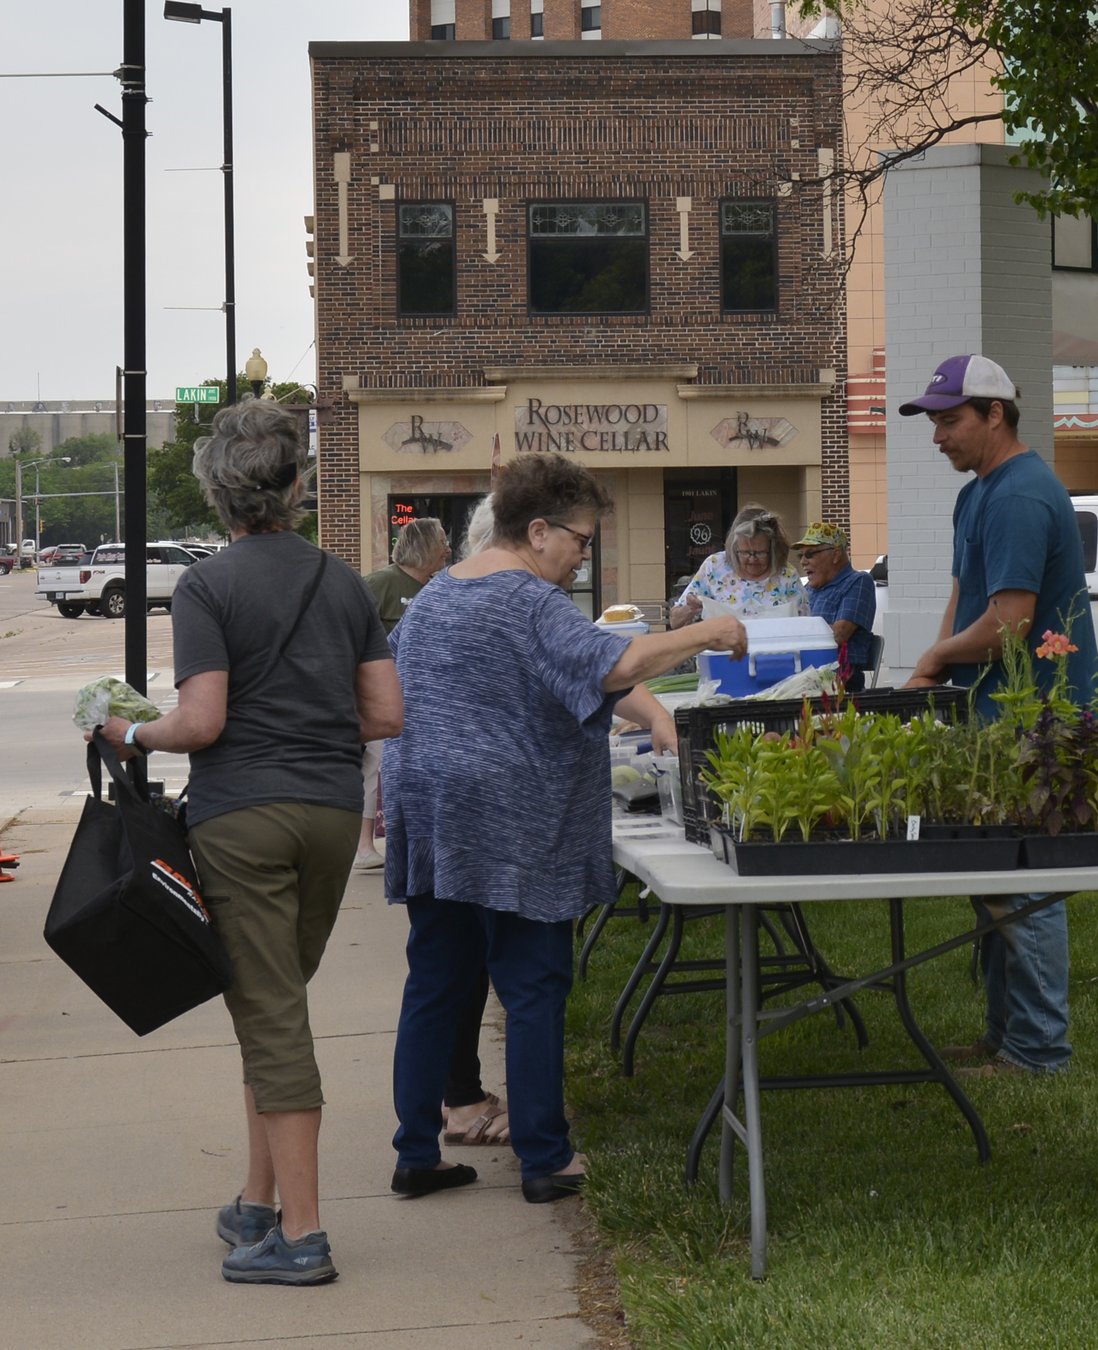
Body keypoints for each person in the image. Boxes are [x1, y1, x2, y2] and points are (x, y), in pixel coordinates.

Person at [382, 453, 749, 1204]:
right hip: (512, 817)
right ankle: (545, 1157)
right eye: (580, 540)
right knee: (534, 982)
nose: (584, 554)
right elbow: (615, 661)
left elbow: (569, 677)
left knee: (436, 982)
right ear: (538, 529)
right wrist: (709, 631)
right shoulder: (530, 600)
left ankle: (416, 1152)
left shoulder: (437, 595)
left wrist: (652, 715)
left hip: (431, 807)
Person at [93, 398, 400, 1286]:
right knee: (272, 1002)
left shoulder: (207, 586)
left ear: (219, 497)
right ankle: (257, 1202)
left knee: (271, 1017)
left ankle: (301, 1236)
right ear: (296, 484)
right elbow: (385, 713)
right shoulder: (343, 581)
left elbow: (202, 720)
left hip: (243, 819)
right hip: (332, 813)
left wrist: (129, 733)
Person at [901, 353, 1097, 1076]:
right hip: (992, 710)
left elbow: (1010, 624)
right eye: (932, 422)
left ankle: (1039, 1047)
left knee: (1026, 880)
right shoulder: (976, 494)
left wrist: (933, 660)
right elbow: (969, 599)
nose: (937, 437)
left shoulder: (1019, 495)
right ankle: (1002, 1036)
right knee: (993, 874)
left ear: (995, 415)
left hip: (1038, 715)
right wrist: (940, 669)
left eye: (949, 421)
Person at [357, 519, 451, 870]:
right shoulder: (380, 584)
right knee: (377, 766)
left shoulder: (441, 586)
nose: (448, 548)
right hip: (384, 695)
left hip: (429, 698)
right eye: (441, 541)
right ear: (425, 545)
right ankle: (365, 846)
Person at [668, 504, 807, 626]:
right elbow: (675, 621)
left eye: (760, 553)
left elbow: (805, 626)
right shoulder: (715, 567)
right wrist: (690, 609)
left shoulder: (787, 575)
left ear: (773, 550)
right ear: (734, 548)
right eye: (745, 552)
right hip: (722, 654)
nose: (752, 560)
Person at [794, 520, 879, 691]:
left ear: (836, 554)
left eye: (810, 554)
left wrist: (794, 635)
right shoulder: (806, 589)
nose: (803, 561)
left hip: (840, 677)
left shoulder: (858, 581)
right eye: (800, 555)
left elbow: (838, 635)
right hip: (803, 672)